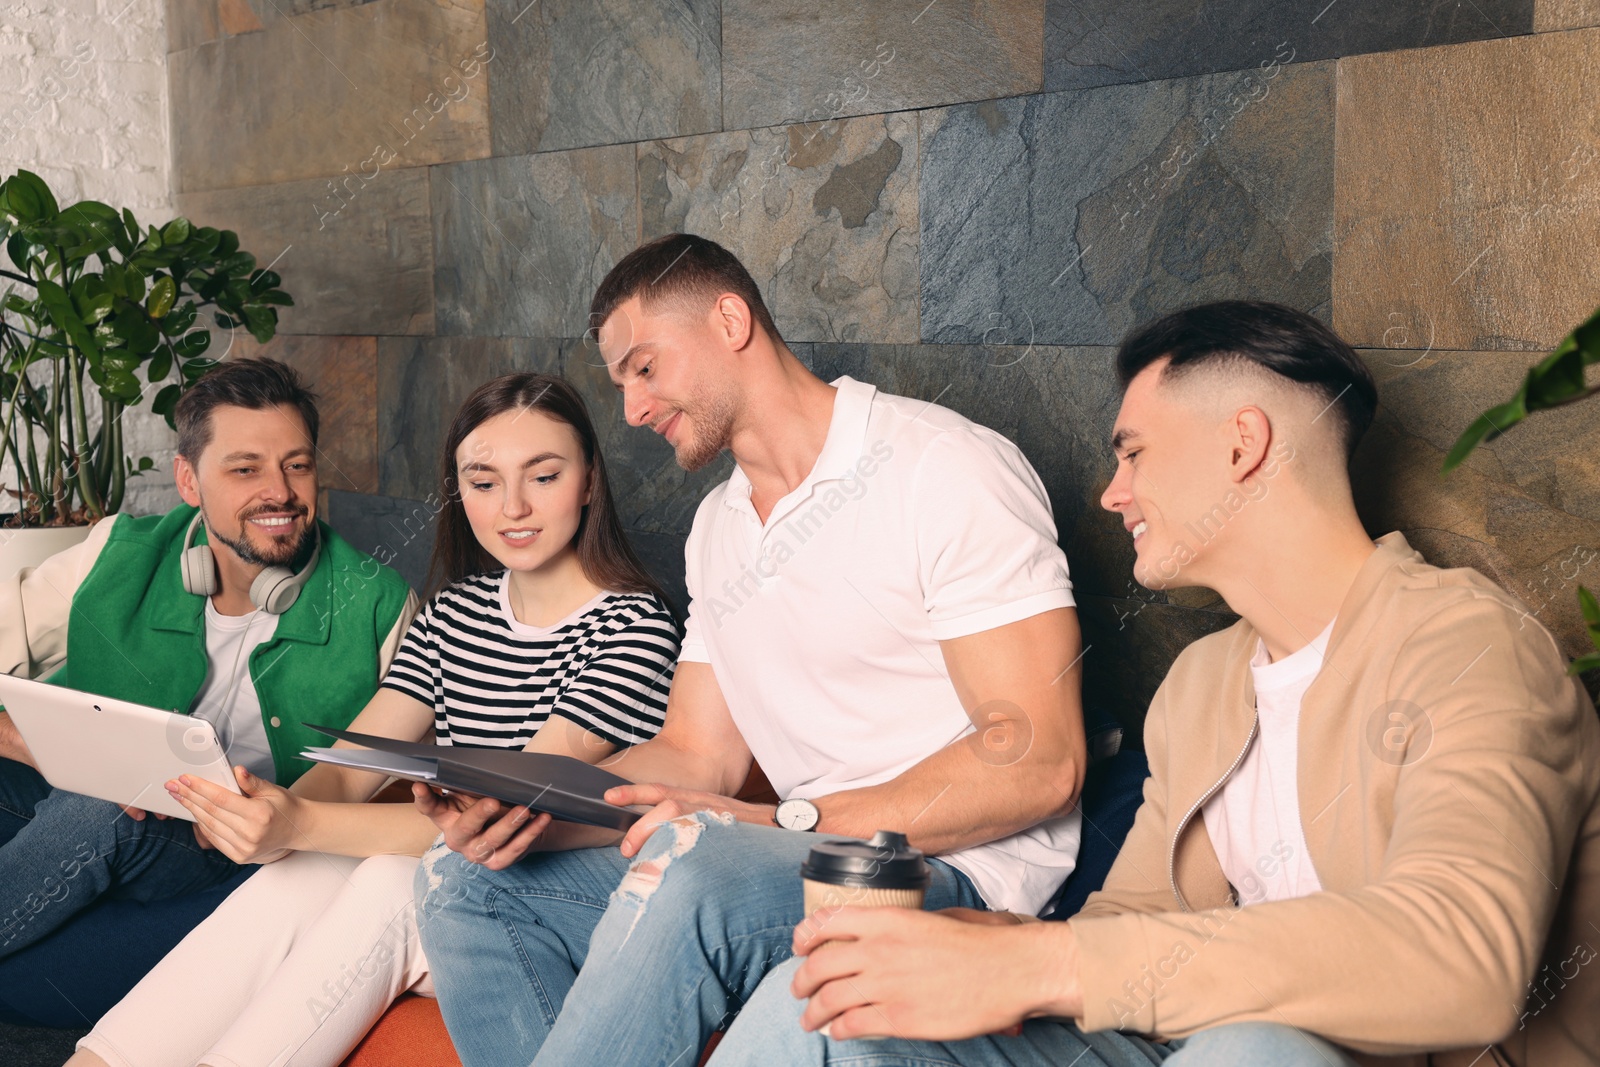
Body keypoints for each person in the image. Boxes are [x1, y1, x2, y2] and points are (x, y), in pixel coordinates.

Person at [710, 301, 1600, 1067]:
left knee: (1253, 1048)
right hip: (1183, 1049)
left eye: (1132, 452)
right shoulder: (1203, 682)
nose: (1112, 492)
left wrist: (1045, 967)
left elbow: (1465, 959)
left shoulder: (1470, 646)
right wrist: (989, 946)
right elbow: (1134, 918)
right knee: (824, 1001)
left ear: (1243, 443)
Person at [412, 233, 1089, 1067]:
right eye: (620, 381)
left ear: (730, 320)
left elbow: (1037, 760)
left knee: (696, 863)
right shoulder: (719, 528)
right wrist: (524, 809)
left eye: (644, 367)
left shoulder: (941, 469)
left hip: (953, 870)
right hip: (789, 859)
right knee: (461, 879)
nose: (630, 409)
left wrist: (780, 820)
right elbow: (698, 757)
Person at [67, 373, 680, 1067]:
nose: (513, 506)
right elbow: (350, 773)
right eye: (482, 482)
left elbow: (493, 817)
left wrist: (302, 822)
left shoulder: (633, 626)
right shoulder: (457, 612)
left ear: (590, 481)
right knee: (298, 875)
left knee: (390, 882)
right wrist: (274, 813)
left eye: (542, 475)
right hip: (455, 874)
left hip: (552, 894)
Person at [0, 358, 415, 971]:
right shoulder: (116, 554)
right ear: (189, 482)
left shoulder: (381, 604)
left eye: (296, 466)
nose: (279, 492)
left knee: (98, 810)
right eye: (245, 469)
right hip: (75, 795)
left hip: (218, 848)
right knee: (82, 798)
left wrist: (280, 817)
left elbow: (399, 788)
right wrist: (50, 751)